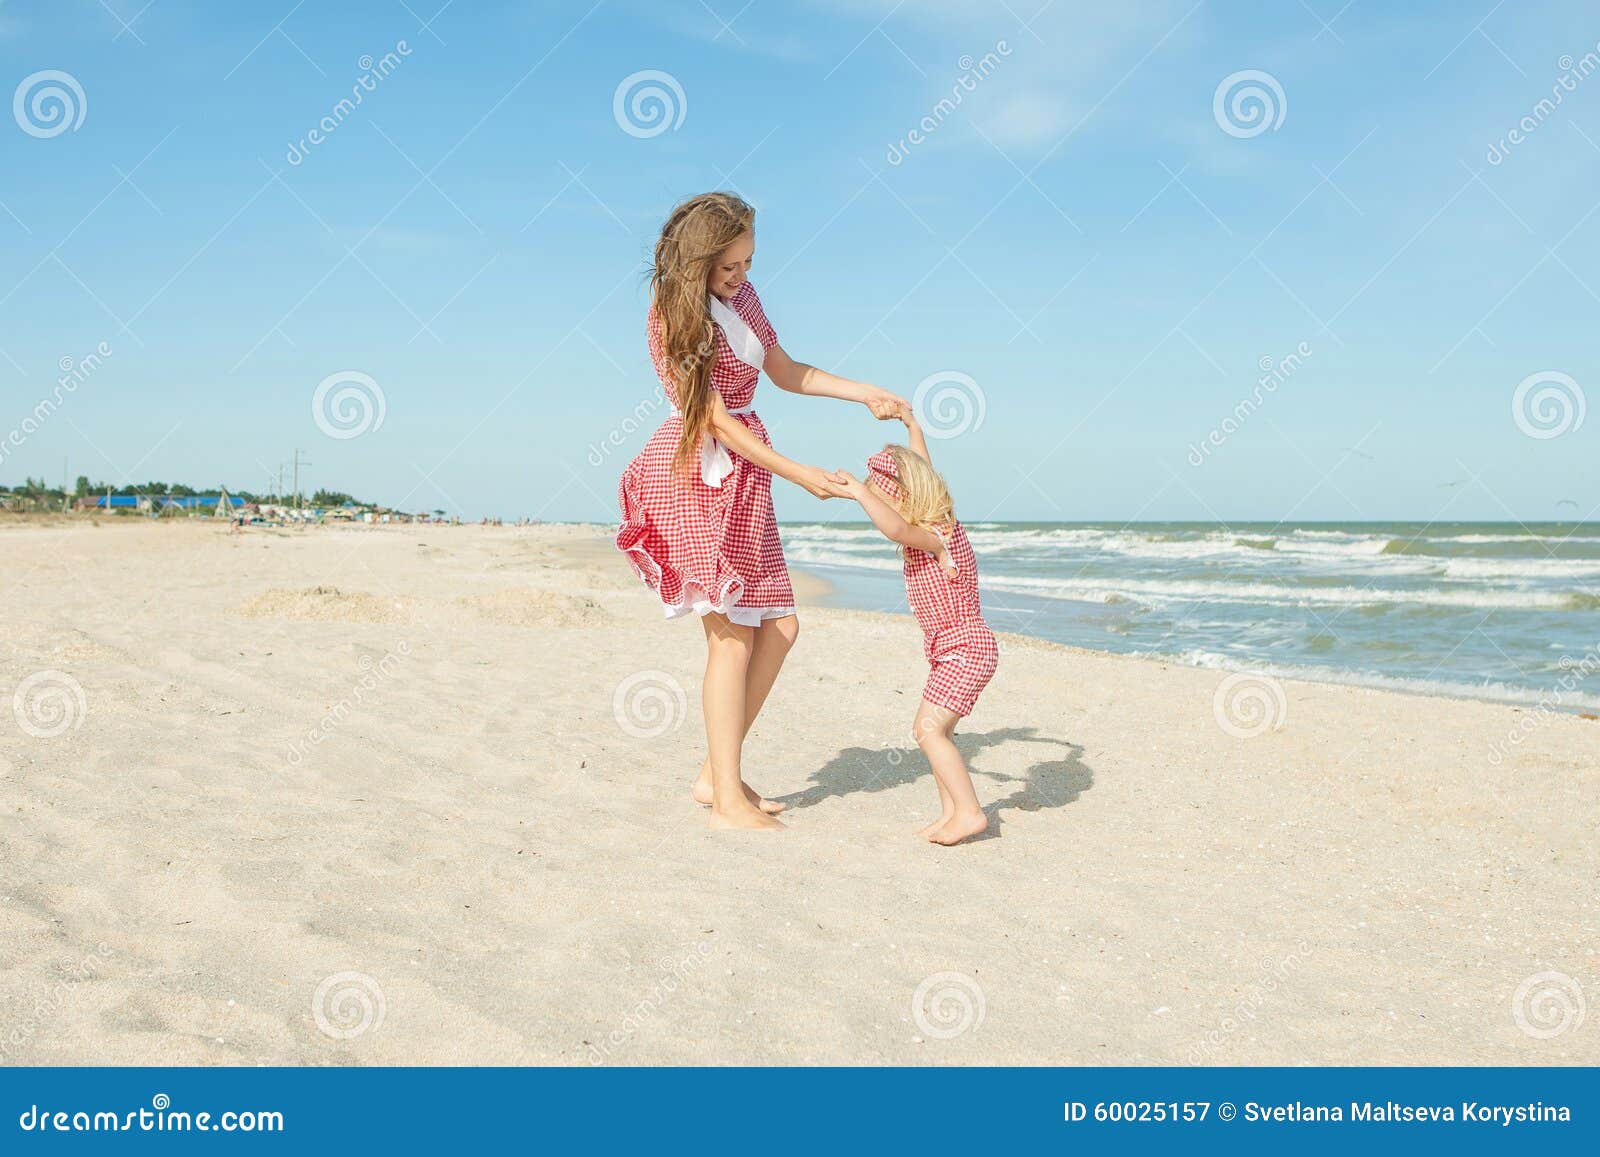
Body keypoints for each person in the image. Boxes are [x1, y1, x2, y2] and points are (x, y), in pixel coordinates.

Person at [616, 192, 907, 830]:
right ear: (697, 263)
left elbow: (783, 370)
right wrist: (800, 472)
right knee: (731, 636)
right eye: (729, 267)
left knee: (778, 628)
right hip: (698, 472)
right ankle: (726, 795)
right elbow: (713, 416)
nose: (741, 277)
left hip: (748, 473)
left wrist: (864, 393)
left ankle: (713, 774)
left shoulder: (745, 300)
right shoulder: (670, 315)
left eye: (748, 263)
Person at [832, 409, 999, 845]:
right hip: (953, 649)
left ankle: (970, 812)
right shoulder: (935, 525)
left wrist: (856, 491)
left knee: (926, 729)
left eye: (883, 501)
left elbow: (895, 528)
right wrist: (913, 429)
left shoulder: (935, 536)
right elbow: (918, 474)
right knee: (937, 731)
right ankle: (951, 813)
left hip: (966, 648)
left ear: (903, 502)